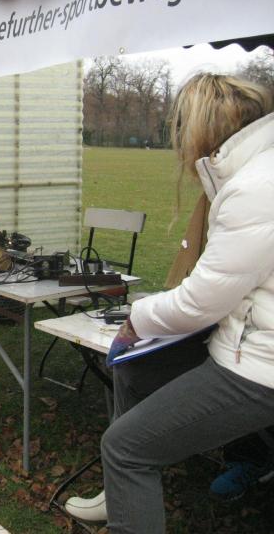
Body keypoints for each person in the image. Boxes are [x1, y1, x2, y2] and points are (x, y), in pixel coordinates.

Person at [64, 73, 274, 533]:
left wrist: (137, 318)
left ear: (204, 127)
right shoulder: (255, 170)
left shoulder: (255, 186)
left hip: (259, 366)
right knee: (135, 369)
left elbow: (201, 301)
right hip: (244, 344)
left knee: (125, 448)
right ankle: (120, 494)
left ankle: (126, 474)